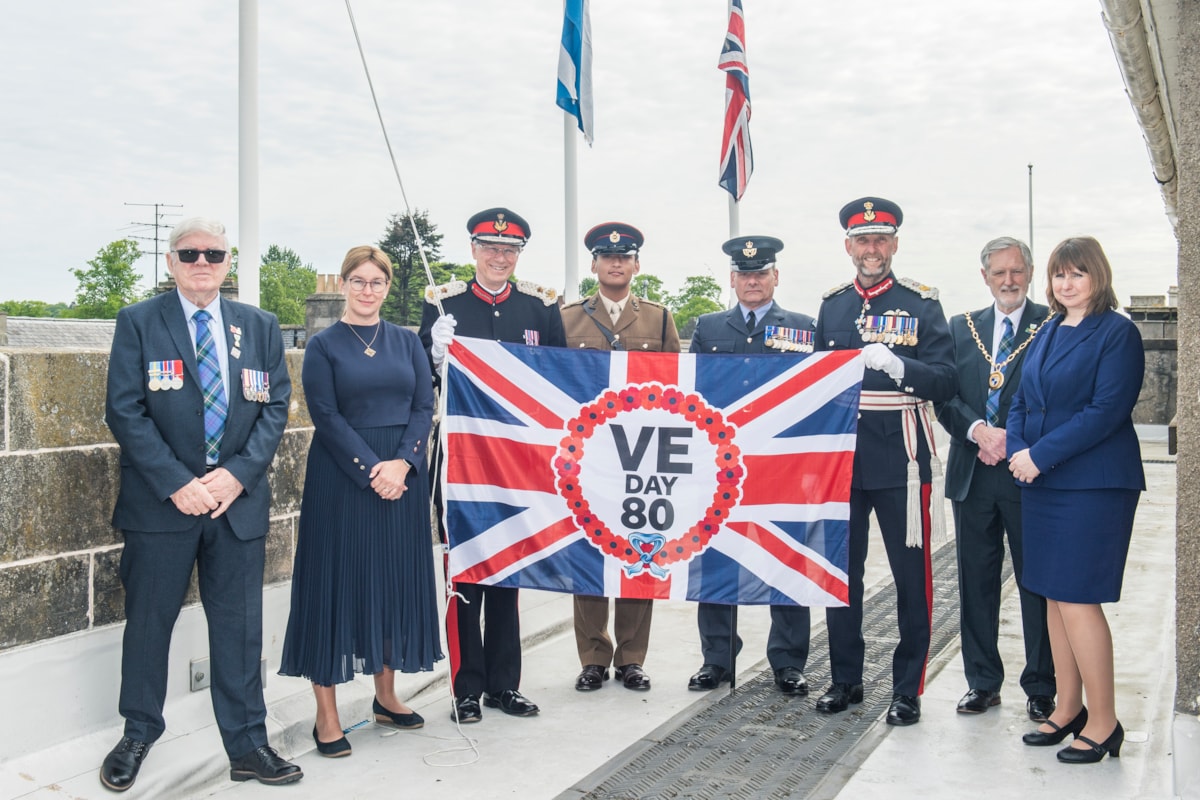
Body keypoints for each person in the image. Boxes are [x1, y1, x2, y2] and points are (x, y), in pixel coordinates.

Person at [101, 217, 301, 791]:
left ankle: (248, 745)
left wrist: (236, 477)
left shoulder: (258, 326)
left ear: (228, 262)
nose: (202, 262)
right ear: (171, 262)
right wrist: (176, 482)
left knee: (239, 631)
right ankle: (138, 732)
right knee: (149, 625)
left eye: (213, 253)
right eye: (189, 253)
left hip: (235, 506)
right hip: (161, 506)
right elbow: (126, 410)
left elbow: (275, 407)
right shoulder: (139, 321)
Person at [279, 245, 443, 758]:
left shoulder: (406, 342)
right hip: (342, 478)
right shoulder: (324, 345)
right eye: (358, 281)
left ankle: (386, 696)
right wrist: (373, 470)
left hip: (402, 477)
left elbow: (424, 405)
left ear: (387, 288)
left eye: (377, 282)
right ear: (344, 284)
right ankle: (326, 715)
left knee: (391, 583)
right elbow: (324, 416)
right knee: (336, 586)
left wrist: (403, 464)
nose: (367, 290)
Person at [418, 207, 566, 723]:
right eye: (490, 247)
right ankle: (465, 688)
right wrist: (435, 353)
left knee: (509, 576)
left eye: (509, 249)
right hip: (462, 462)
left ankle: (505, 684)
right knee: (464, 579)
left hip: (521, 465)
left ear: (519, 254)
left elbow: (561, 382)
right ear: (474, 251)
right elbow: (423, 384)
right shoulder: (442, 305)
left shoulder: (540, 309)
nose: (499, 256)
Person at [814, 198, 956, 726]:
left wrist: (901, 366)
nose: (871, 249)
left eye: (880, 239)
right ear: (848, 246)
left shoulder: (921, 304)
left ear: (894, 244)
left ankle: (906, 689)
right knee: (840, 577)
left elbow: (947, 379)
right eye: (862, 240)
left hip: (901, 458)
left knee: (911, 581)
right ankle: (845, 679)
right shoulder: (831, 306)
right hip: (843, 461)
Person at [1008, 236, 1144, 764]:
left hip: (1093, 485)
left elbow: (1106, 410)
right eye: (1060, 275)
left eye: (1077, 274)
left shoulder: (1117, 333)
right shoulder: (1047, 329)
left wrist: (1039, 455)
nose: (1067, 284)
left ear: (1097, 277)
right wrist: (1022, 453)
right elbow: (1021, 400)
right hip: (1043, 482)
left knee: (1078, 598)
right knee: (1050, 594)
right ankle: (1068, 708)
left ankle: (1105, 722)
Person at [686, 236, 816, 697]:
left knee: (785, 560)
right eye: (744, 274)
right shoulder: (708, 327)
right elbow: (694, 394)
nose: (752, 281)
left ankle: (788, 661)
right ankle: (716, 658)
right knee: (716, 563)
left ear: (775, 277)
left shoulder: (803, 328)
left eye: (761, 273)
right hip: (722, 469)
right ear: (733, 279)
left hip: (783, 468)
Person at [935, 237, 1056, 721]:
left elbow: (1058, 395)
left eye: (1017, 271)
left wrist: (1014, 439)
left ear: (1029, 272)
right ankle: (982, 682)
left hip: (1030, 475)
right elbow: (944, 396)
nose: (1009, 280)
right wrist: (979, 432)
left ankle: (1042, 685)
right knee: (976, 585)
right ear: (984, 276)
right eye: (999, 273)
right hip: (973, 474)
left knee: (1037, 583)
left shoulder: (1052, 323)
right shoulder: (961, 328)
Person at [560, 222, 680, 693]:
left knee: (640, 550)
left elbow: (674, 388)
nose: (615, 263)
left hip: (641, 458)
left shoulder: (659, 318)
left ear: (636, 265)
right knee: (588, 554)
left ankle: (631, 656)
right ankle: (593, 655)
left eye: (624, 256)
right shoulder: (567, 319)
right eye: (606, 256)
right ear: (593, 264)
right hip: (587, 458)